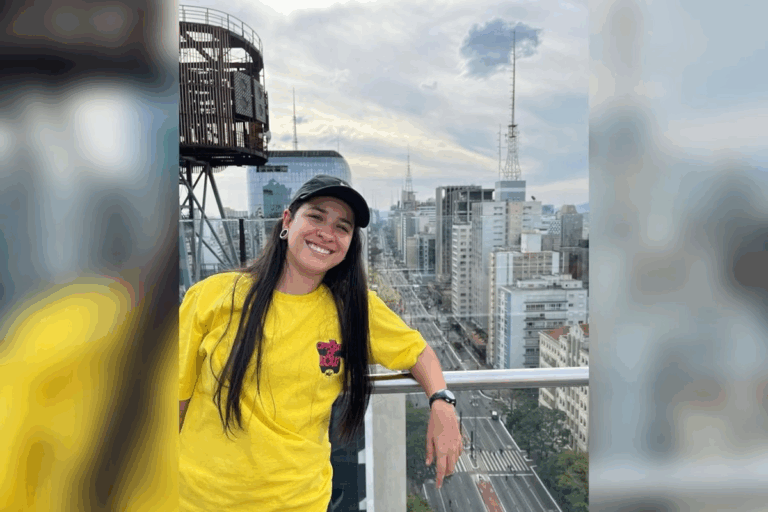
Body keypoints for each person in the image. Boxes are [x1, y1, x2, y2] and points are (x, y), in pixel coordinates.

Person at [179, 175, 462, 512]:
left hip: (299, 502)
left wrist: (442, 403)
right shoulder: (211, 296)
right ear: (287, 221)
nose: (327, 233)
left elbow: (419, 352)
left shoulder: (354, 309)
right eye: (315, 216)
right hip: (197, 499)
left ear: (349, 244)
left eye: (342, 227)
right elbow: (172, 402)